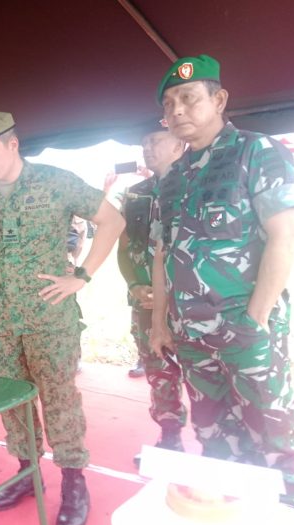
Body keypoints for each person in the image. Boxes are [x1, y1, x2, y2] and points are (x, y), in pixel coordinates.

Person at [150, 54, 294, 509]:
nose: (178, 110)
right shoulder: (171, 178)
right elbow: (161, 256)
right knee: (213, 434)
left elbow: (286, 234)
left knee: (274, 431)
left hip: (246, 331)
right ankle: (235, 511)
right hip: (193, 338)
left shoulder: (258, 151)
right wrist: (161, 324)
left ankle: (290, 508)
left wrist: (257, 316)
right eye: (170, 103)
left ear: (218, 100)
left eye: (189, 99)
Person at [0, 112, 125, 525]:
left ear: (14, 144)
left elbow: (112, 220)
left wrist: (82, 276)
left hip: (49, 318)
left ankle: (73, 481)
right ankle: (25, 473)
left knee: (58, 399)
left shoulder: (56, 181)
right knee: (13, 400)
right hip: (2, 320)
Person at [116, 130, 187, 465]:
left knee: (206, 376)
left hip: (192, 306)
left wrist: (169, 296)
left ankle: (222, 450)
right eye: (143, 143)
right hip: (144, 303)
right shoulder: (135, 195)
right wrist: (134, 286)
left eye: (155, 142)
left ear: (179, 144)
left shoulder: (196, 183)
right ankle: (170, 438)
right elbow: (124, 248)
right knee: (159, 372)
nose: (147, 149)